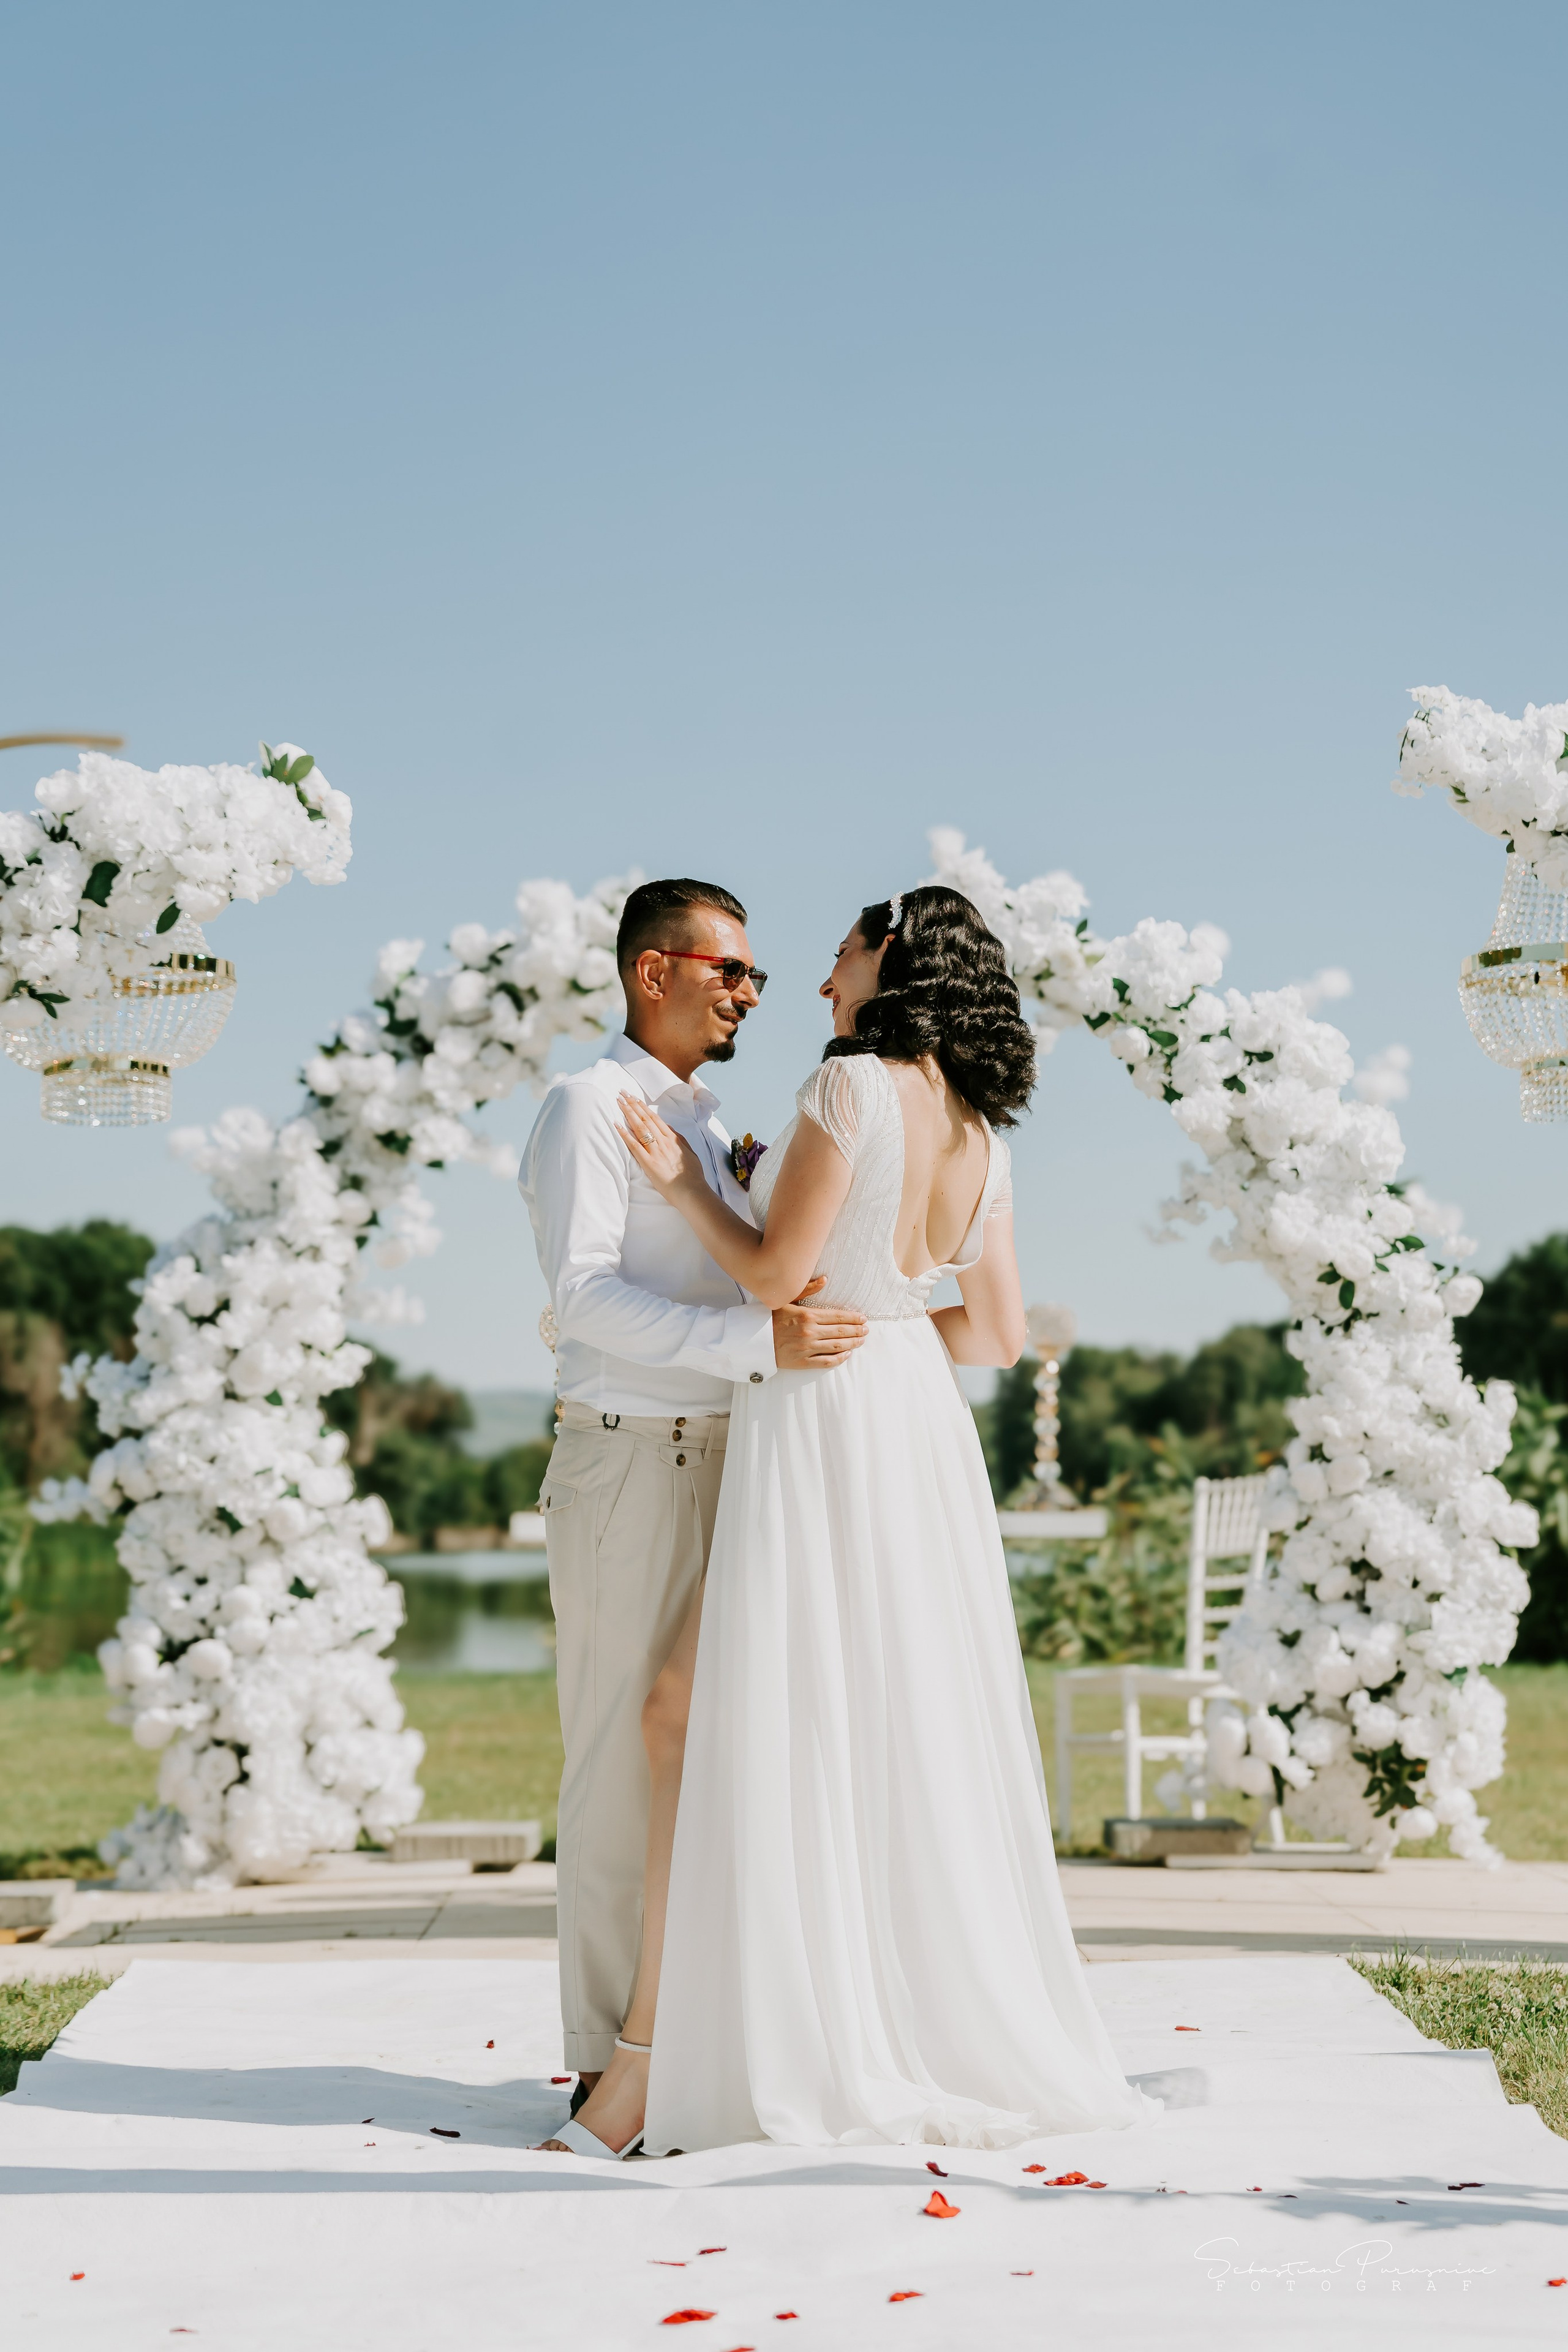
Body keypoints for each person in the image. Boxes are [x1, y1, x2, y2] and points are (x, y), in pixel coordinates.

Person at [549, 884, 1148, 2161]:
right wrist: (881, 1326)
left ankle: (661, 2054)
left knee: (700, 1717)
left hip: (818, 1416)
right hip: (914, 1423)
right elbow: (989, 1335)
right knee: (876, 1725)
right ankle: (845, 2020)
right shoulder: (986, 1133)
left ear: (891, 965)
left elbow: (770, 1281)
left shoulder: (847, 1089)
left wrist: (692, 1188)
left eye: (835, 957)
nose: (817, 985)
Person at [519, 876, 869, 2114]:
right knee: (618, 1763)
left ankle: (701, 2032)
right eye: (728, 970)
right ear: (649, 973)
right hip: (632, 1459)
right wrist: (753, 1350)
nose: (749, 992)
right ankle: (601, 2062)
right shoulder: (587, 1106)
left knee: (718, 1761)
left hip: (738, 1464)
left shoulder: (709, 1122)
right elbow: (585, 1297)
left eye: (756, 975)